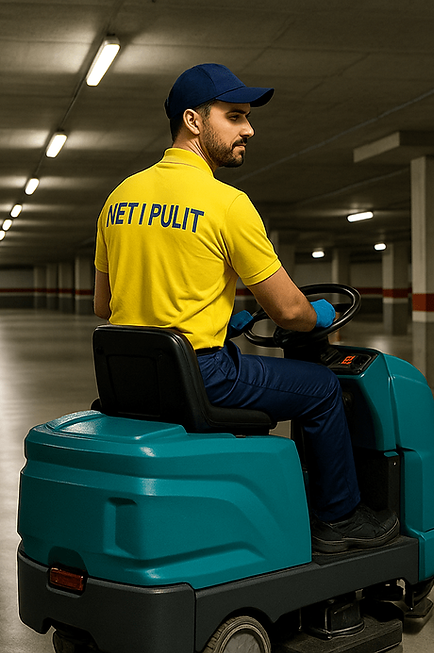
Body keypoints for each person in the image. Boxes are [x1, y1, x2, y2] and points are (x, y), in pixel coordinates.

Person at [92, 63, 398, 554]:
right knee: (320, 388)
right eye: (234, 117)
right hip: (202, 372)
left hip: (135, 380)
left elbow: (105, 305)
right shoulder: (227, 203)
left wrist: (219, 315)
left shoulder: (118, 199)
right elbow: (289, 313)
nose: (248, 129)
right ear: (193, 121)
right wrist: (316, 315)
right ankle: (339, 518)